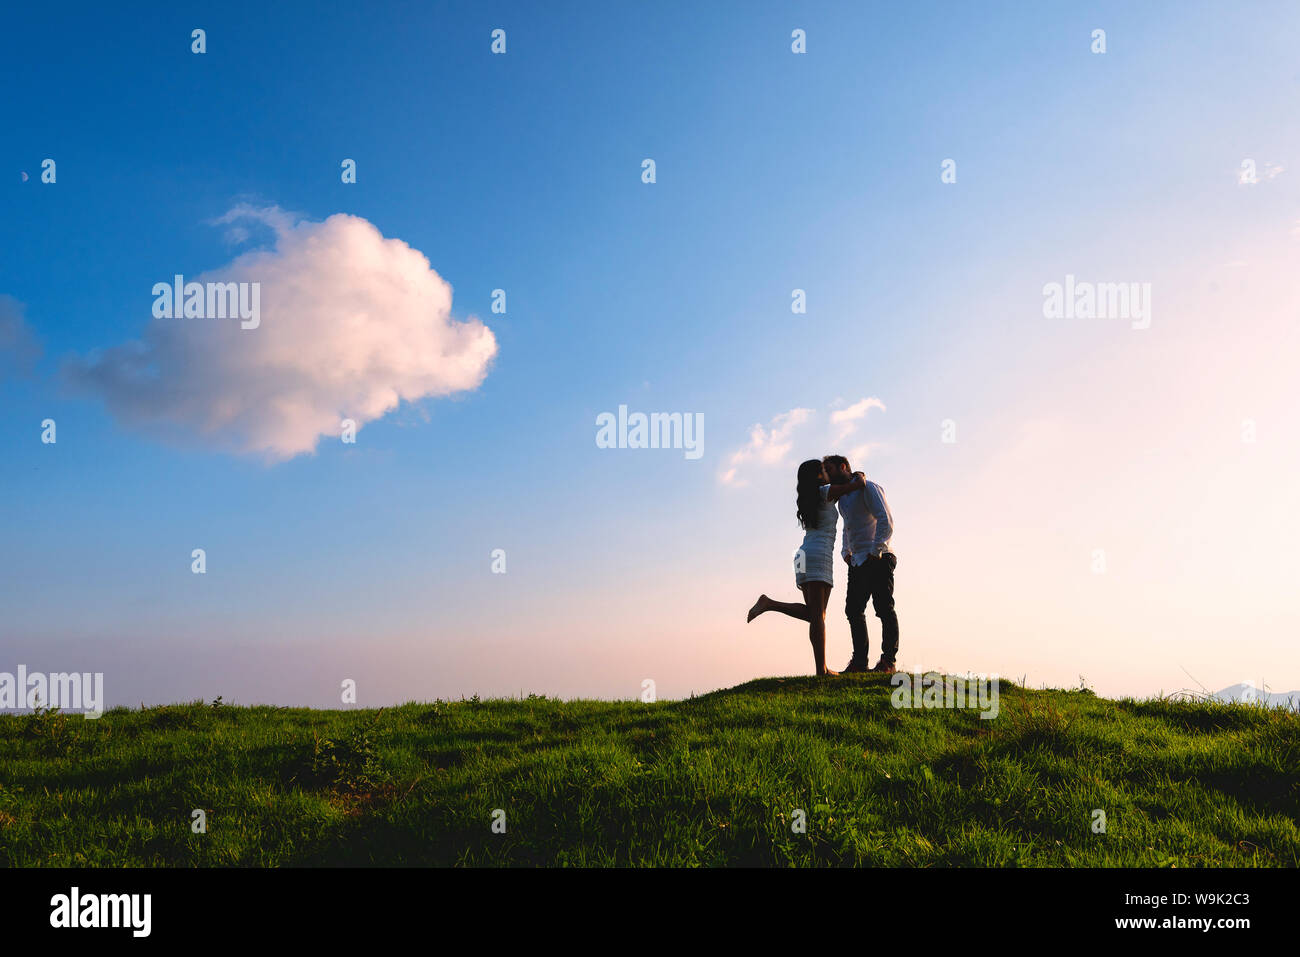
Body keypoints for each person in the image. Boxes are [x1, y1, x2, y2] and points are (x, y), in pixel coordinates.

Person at [746, 459, 865, 675]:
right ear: (820, 475)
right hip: (817, 555)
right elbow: (856, 486)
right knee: (818, 615)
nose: (828, 473)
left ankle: (770, 604)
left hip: (803, 555)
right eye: (825, 470)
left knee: (814, 615)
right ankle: (821, 670)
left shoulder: (812, 496)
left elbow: (841, 492)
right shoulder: (825, 491)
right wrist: (859, 476)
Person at [822, 454, 898, 674]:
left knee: (884, 608)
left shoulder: (869, 488)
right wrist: (846, 552)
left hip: (880, 557)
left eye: (829, 469)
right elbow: (848, 527)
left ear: (843, 467)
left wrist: (876, 552)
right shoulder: (843, 499)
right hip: (857, 561)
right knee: (853, 609)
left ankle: (888, 662)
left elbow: (886, 521)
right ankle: (860, 663)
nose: (827, 475)